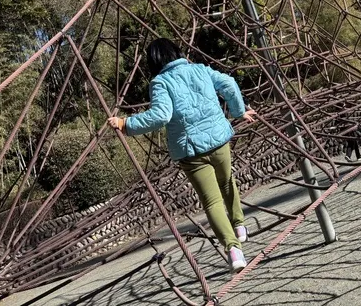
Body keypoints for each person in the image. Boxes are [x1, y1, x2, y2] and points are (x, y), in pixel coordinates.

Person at [107, 38, 255, 273]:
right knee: (227, 182)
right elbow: (228, 83)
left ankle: (234, 250)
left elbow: (161, 115)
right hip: (219, 140)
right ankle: (239, 226)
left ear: (154, 62)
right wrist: (238, 112)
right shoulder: (200, 69)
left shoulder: (160, 82)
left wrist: (126, 123)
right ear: (177, 52)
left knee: (212, 201)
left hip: (191, 151)